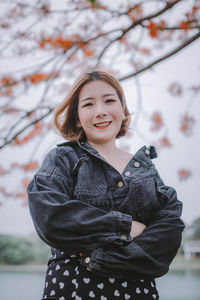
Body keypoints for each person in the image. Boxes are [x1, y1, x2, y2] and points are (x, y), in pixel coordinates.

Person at [27, 71, 185, 300]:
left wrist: (96, 258)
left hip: (139, 292)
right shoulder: (63, 159)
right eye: (89, 104)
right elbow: (50, 217)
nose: (100, 110)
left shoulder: (146, 169)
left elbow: (167, 239)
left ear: (123, 109)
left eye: (109, 100)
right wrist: (124, 226)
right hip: (72, 289)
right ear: (78, 117)